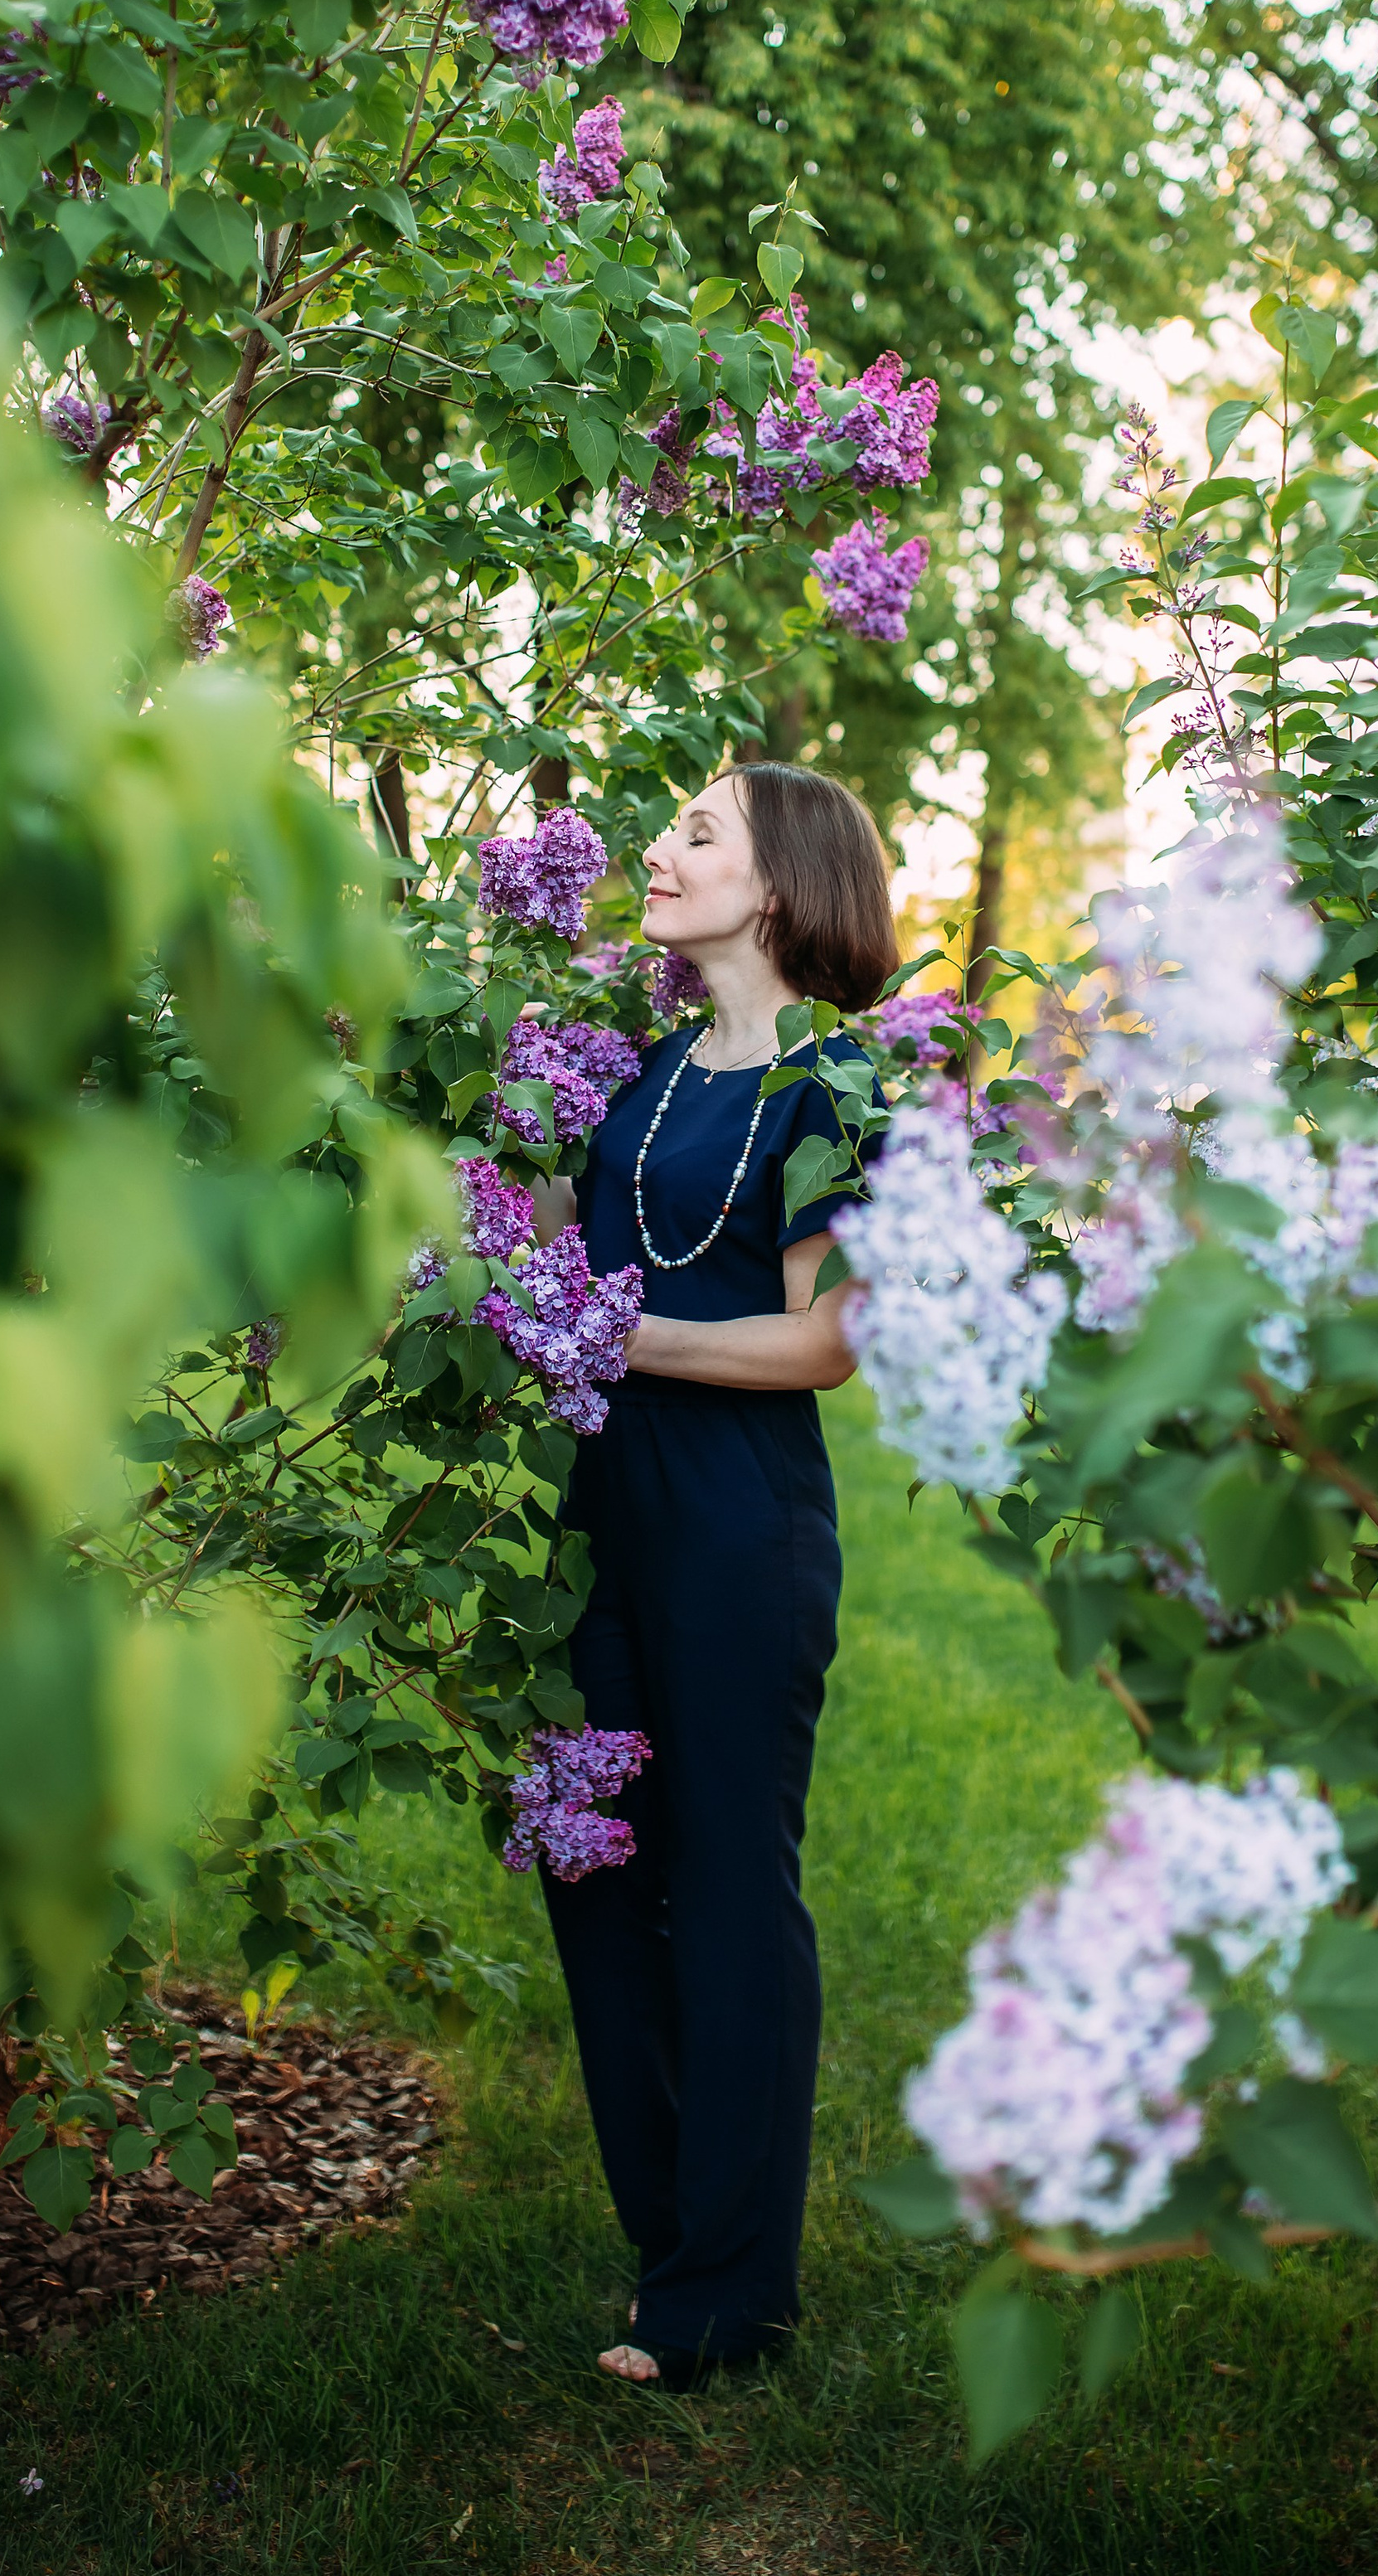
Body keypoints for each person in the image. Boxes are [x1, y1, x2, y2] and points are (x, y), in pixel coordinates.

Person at [531, 760, 897, 2390]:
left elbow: (825, 1339)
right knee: (590, 1864)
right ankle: (670, 2229)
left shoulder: (832, 1085)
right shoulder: (643, 1070)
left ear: (776, 885)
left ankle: (725, 2292)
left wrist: (628, 1335)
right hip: (596, 1514)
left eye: (694, 833)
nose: (655, 852)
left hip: (742, 1524)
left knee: (731, 1890)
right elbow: (554, 1246)